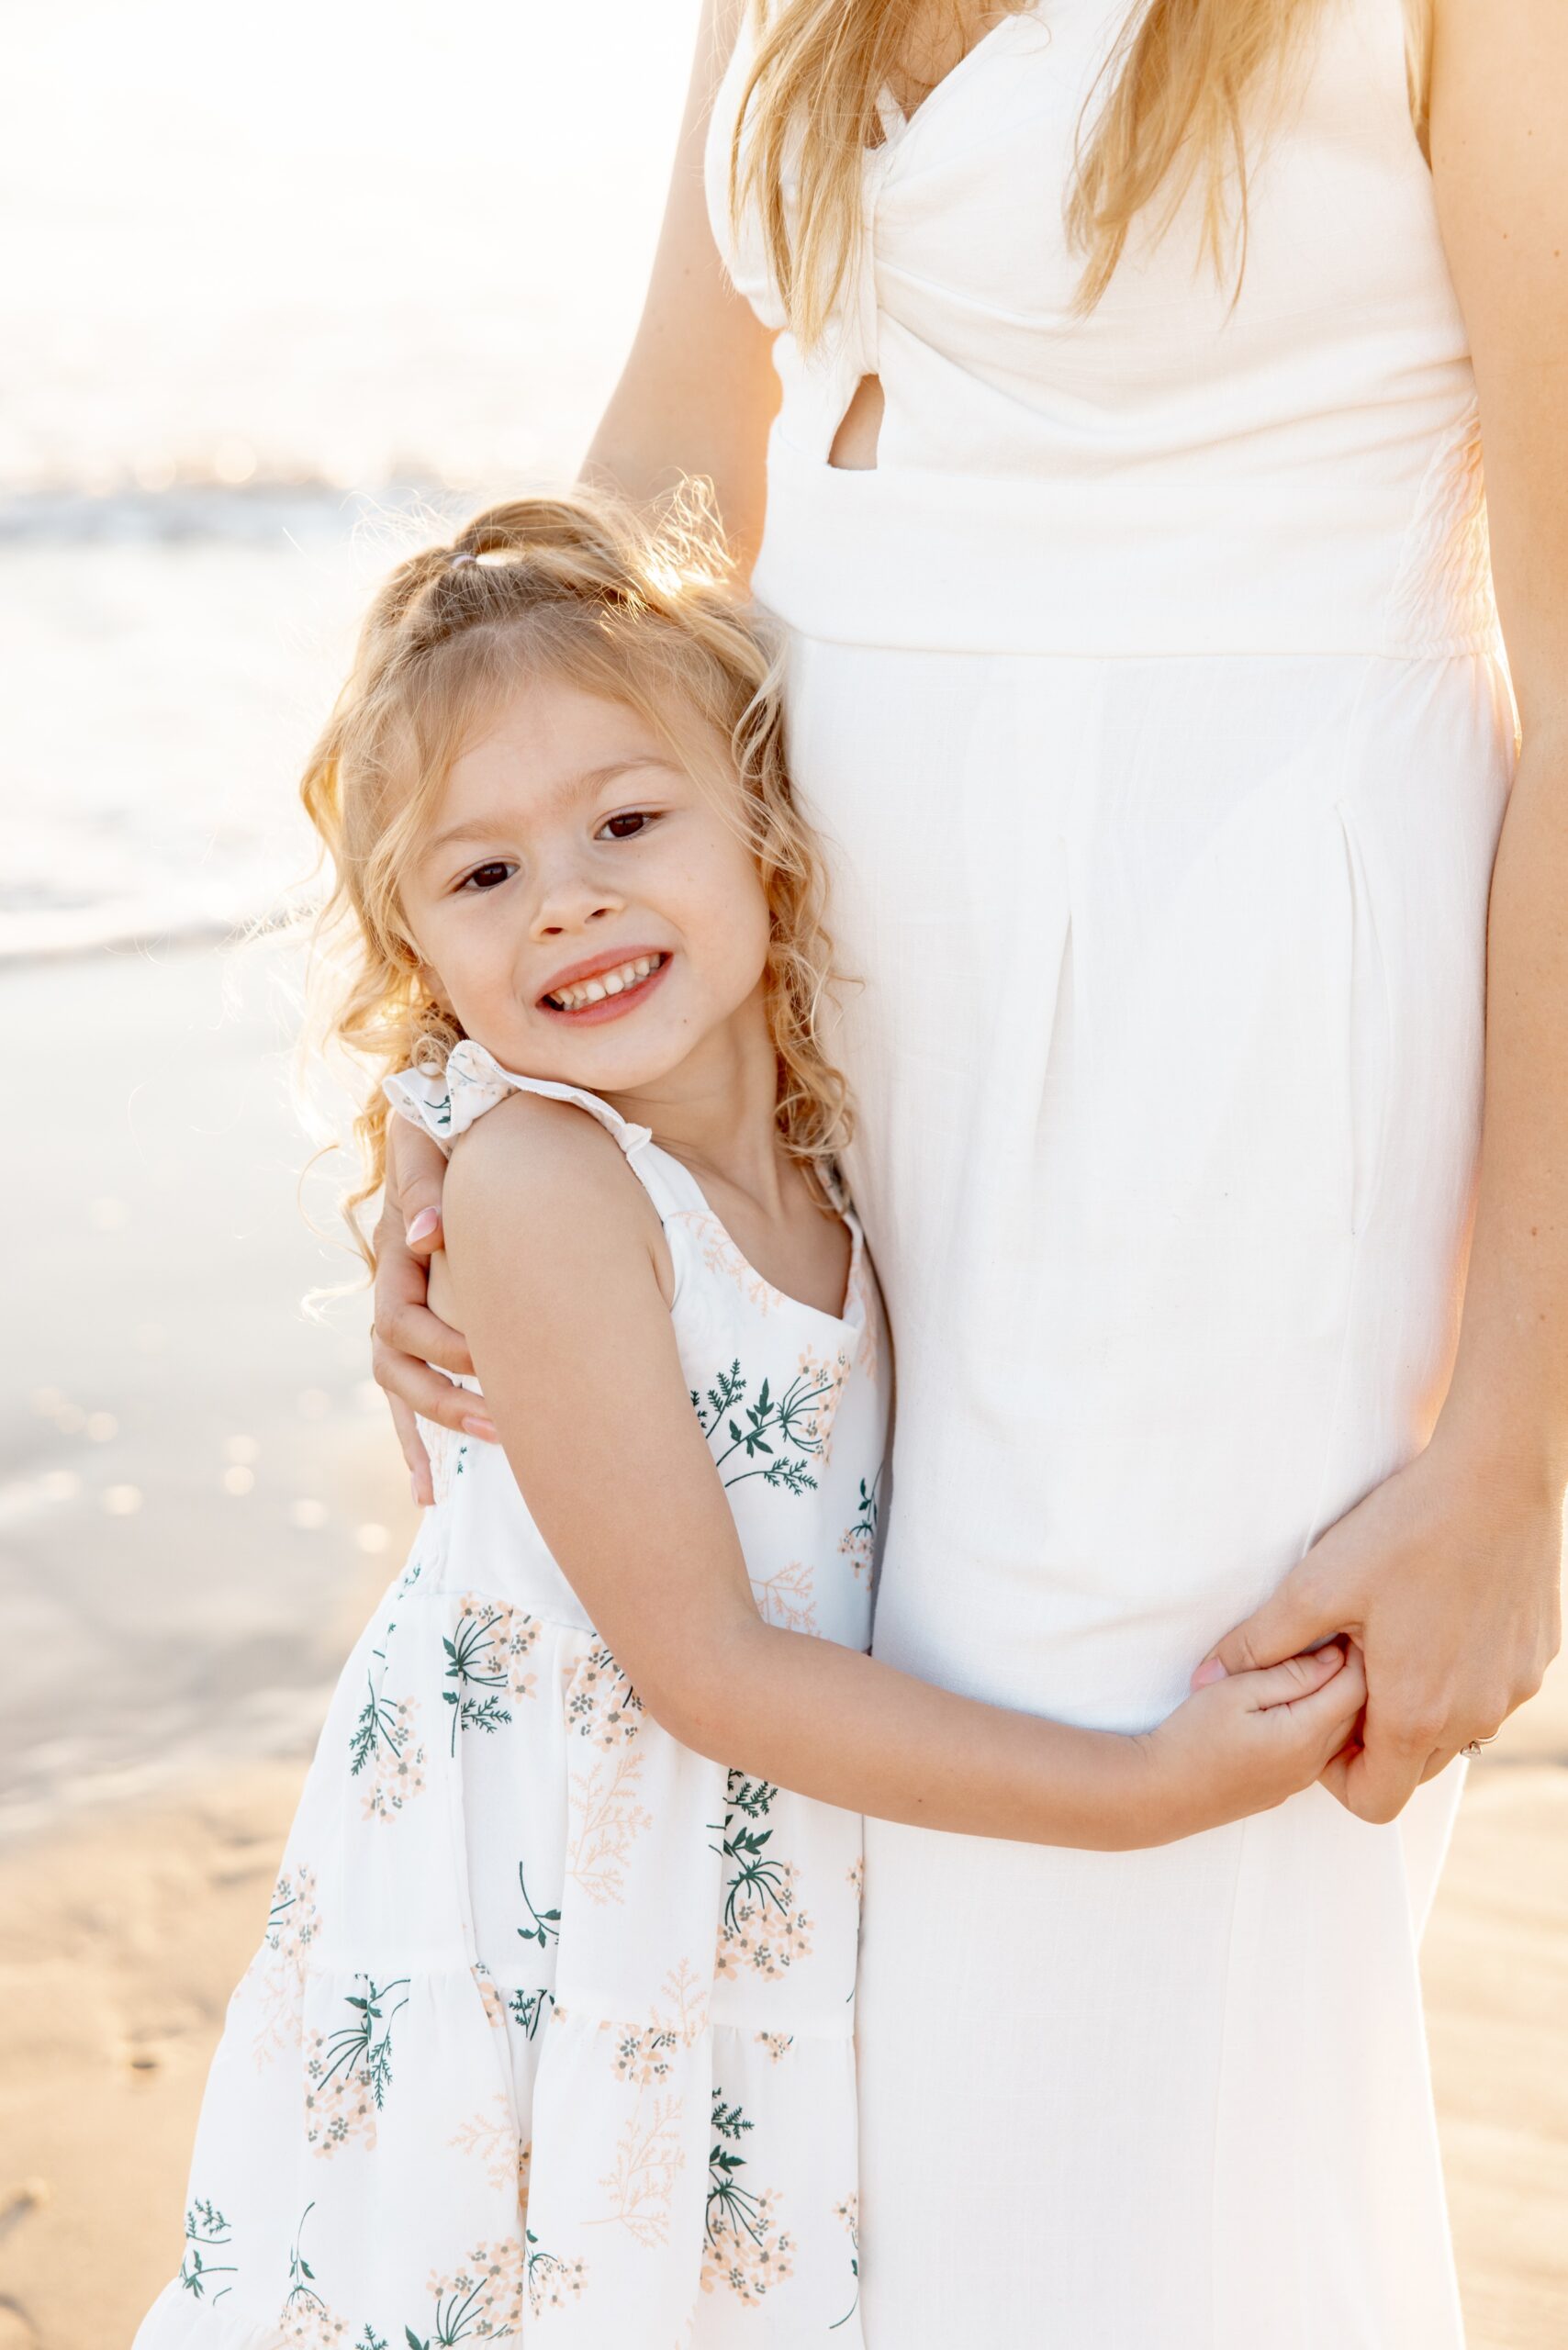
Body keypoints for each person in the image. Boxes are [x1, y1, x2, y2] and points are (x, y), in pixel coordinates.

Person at [372, 4, 1567, 2342]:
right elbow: (662, 469)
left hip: (1220, 1032)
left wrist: (1513, 1454)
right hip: (780, 1028)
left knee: (1115, 1980)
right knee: (804, 1968)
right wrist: (459, 1077)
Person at [133, 489, 1362, 2349]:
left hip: (706, 1899)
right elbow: (702, 1665)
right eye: (482, 877)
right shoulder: (551, 1186)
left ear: (765, 835)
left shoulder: (818, 1152)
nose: (567, 897)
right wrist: (1130, 1791)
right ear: (420, 950)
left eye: (627, 822)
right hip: (544, 1912)